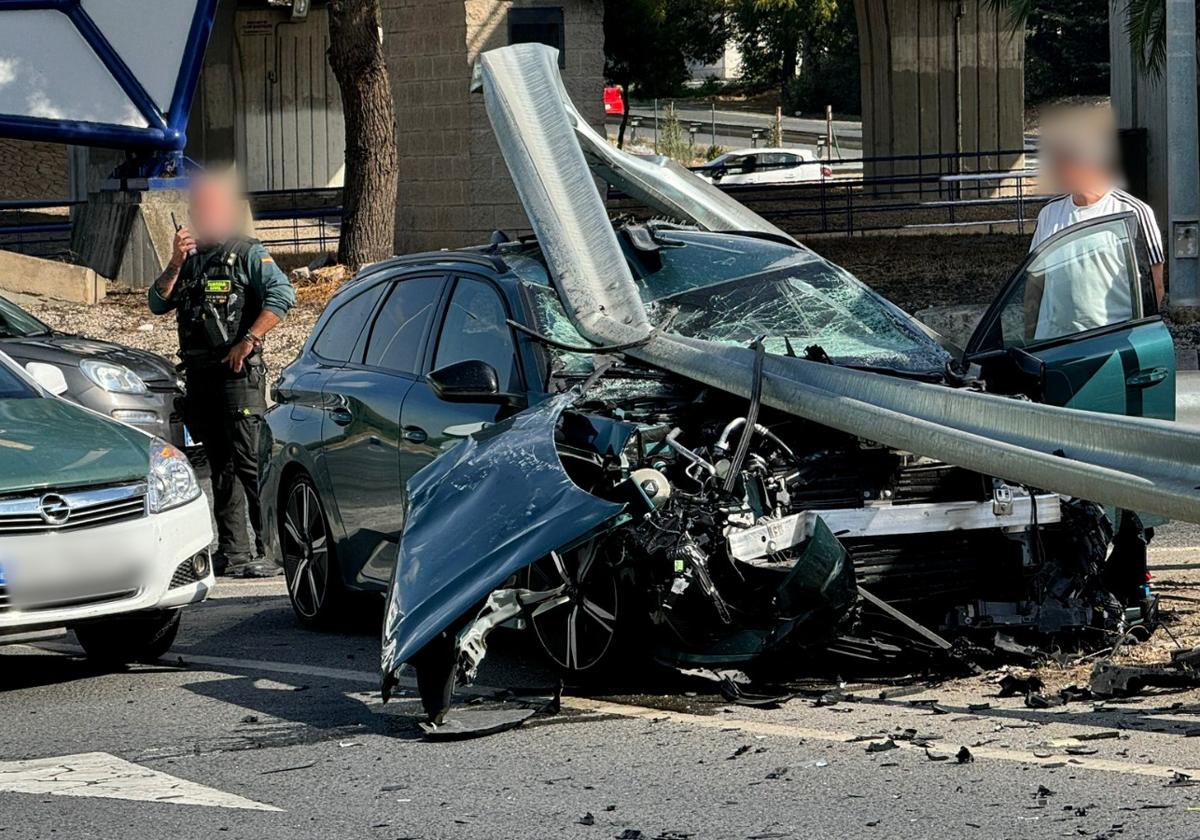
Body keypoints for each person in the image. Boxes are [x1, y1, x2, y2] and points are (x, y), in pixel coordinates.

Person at [148, 173, 295, 578]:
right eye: (200, 210)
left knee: (251, 463)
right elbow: (157, 302)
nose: (206, 216)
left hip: (237, 378)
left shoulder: (247, 253)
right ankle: (234, 552)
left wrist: (248, 340)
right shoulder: (190, 261)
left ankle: (274, 551)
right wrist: (176, 261)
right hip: (200, 378)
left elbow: (283, 296)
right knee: (221, 468)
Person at [1025, 106, 1165, 341]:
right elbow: (1034, 282)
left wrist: (1140, 342)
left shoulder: (1133, 212)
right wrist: (1029, 338)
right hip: (1053, 345)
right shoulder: (1049, 213)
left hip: (1109, 344)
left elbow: (1155, 287)